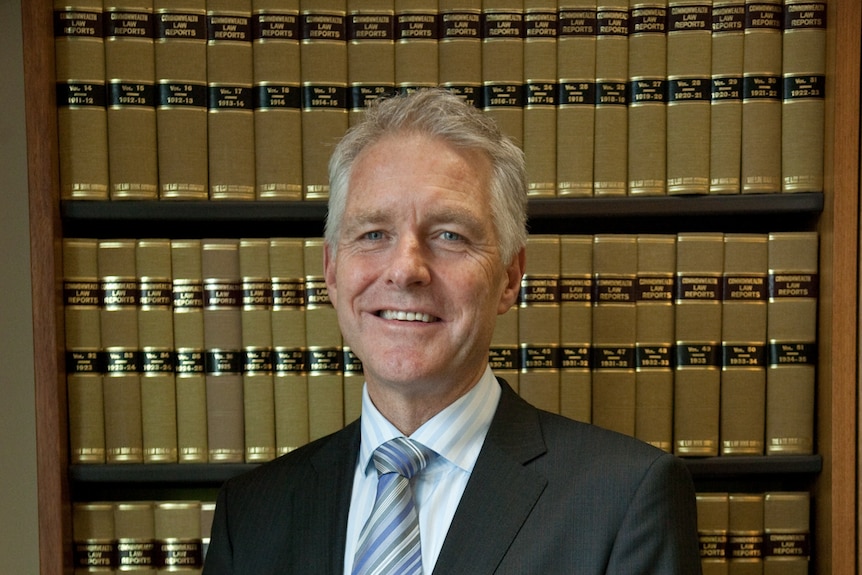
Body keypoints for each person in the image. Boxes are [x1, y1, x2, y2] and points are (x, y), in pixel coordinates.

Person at [202, 88, 702, 574]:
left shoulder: (624, 498)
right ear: (332, 272)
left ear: (509, 277)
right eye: (373, 234)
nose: (405, 270)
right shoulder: (250, 514)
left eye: (449, 236)